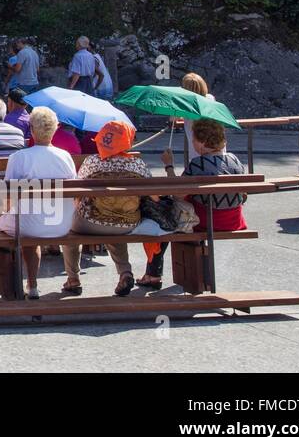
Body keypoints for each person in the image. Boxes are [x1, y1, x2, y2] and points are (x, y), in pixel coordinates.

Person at [141, 118, 249, 287]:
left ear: (202, 142)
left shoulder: (198, 164)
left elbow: (177, 194)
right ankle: (158, 274)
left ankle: (153, 274)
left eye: (194, 139)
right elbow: (243, 195)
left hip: (204, 221)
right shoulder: (235, 160)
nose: (192, 142)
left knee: (162, 218)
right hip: (233, 220)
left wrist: (169, 166)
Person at [0, 107, 77, 299]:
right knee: (28, 221)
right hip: (61, 224)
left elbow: (8, 195)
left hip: (29, 224)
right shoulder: (65, 157)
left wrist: (6, 214)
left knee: (11, 225)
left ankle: (28, 285)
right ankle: (33, 285)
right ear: (55, 129)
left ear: (31, 129)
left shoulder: (19, 158)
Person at [59, 121, 147, 298]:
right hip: (127, 222)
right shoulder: (138, 165)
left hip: (90, 222)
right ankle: (125, 272)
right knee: (115, 220)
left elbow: (77, 190)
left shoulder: (93, 161)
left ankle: (73, 278)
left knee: (68, 226)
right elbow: (152, 195)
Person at [178, 72, 215, 161]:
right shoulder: (210, 98)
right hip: (214, 147)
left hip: (197, 150)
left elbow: (173, 118)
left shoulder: (185, 103)